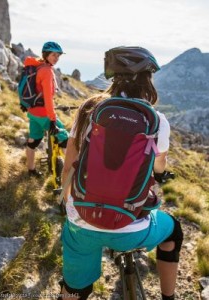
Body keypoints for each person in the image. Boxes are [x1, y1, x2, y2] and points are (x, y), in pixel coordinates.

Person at [59, 46, 183, 300]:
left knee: (74, 289)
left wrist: (66, 202)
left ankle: (72, 293)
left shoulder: (88, 110)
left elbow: (69, 165)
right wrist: (159, 175)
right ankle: (168, 297)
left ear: (113, 78)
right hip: (132, 225)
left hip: (83, 221)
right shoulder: (156, 120)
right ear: (147, 80)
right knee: (175, 232)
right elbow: (160, 165)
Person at [22, 41, 69, 177]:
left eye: (58, 55)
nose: (56, 58)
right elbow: (48, 98)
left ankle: (31, 170)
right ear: (46, 54)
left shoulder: (37, 67)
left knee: (33, 141)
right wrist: (53, 119)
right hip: (44, 114)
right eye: (53, 55)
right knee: (65, 138)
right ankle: (73, 173)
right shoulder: (47, 71)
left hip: (33, 112)